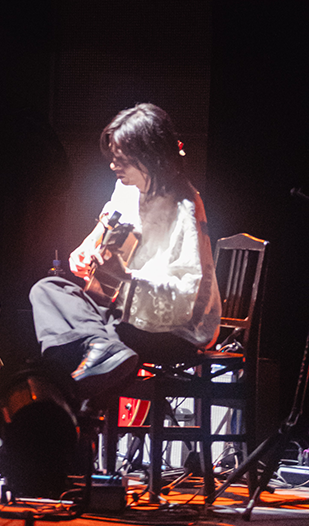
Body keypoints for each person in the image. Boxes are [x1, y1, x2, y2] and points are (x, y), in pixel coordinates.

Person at [30, 103, 221, 397]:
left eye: (122, 160)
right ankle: (101, 352)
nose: (113, 166)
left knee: (82, 340)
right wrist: (86, 249)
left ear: (149, 157)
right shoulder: (129, 187)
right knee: (47, 290)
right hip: (122, 312)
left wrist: (128, 276)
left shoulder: (183, 207)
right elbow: (109, 220)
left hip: (172, 332)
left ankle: (81, 398)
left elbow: (186, 295)